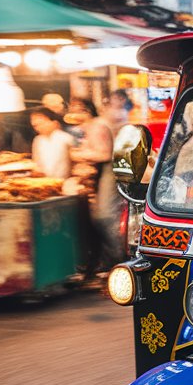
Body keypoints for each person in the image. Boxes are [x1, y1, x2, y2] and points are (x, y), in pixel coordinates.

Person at [68, 97, 124, 270]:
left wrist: (80, 155)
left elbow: (105, 154)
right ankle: (105, 260)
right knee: (96, 217)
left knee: (104, 217)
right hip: (99, 173)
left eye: (76, 109)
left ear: (86, 110)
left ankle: (117, 260)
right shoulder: (87, 127)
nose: (72, 113)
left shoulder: (97, 125)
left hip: (109, 170)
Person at [29, 106, 73, 179]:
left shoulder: (65, 138)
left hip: (65, 182)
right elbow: (36, 163)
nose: (39, 127)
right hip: (45, 182)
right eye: (35, 125)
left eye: (41, 123)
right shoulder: (37, 140)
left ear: (54, 122)